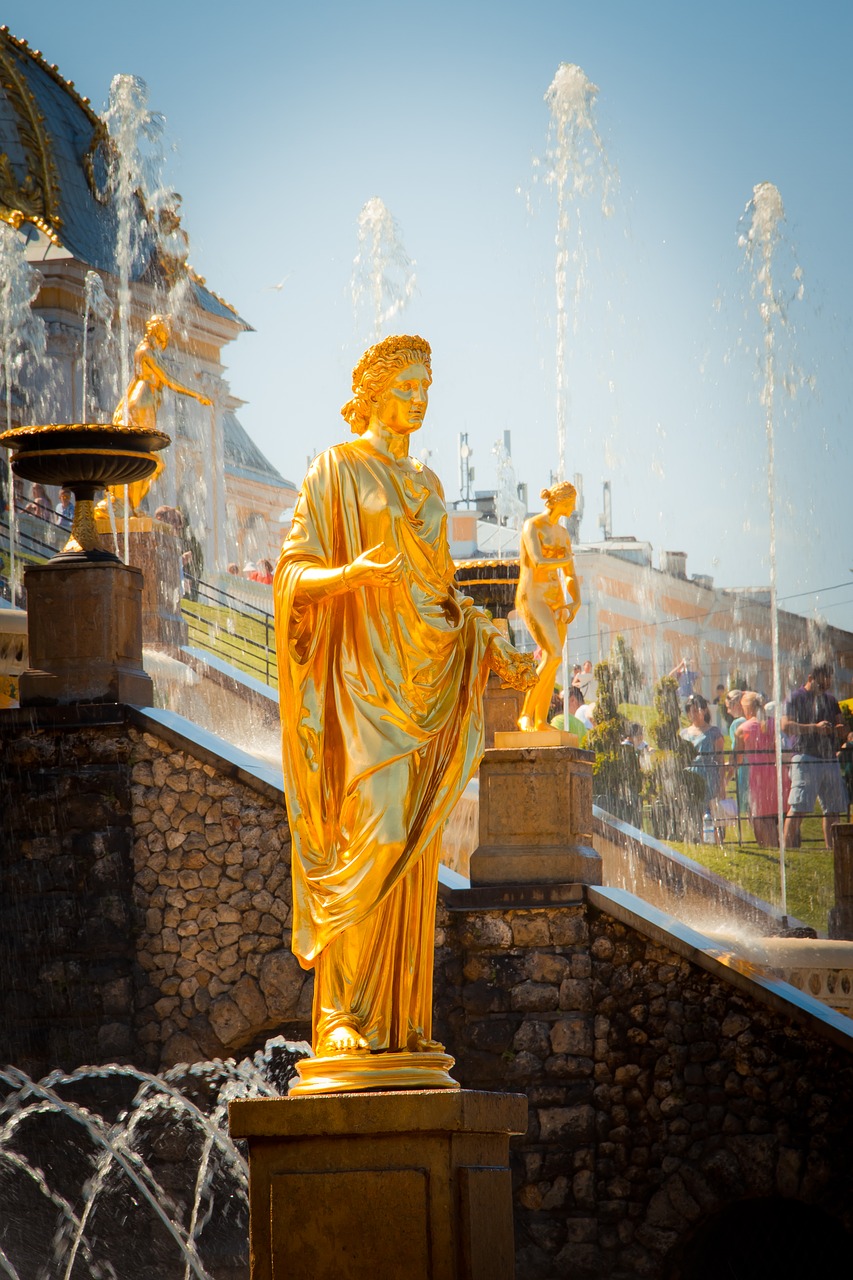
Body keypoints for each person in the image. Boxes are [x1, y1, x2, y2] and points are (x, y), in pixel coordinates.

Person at [273, 334, 535, 1071]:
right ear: (374, 390)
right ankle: (339, 1019)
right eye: (407, 386)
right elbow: (292, 575)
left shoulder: (422, 484)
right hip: (359, 692)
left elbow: (439, 595)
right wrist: (351, 575)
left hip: (419, 686)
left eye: (427, 387)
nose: (419, 399)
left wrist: (485, 639)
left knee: (412, 857)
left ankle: (393, 1025)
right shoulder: (334, 468)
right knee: (377, 837)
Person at [102, 314, 212, 516]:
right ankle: (125, 504)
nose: (166, 337)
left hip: (147, 403)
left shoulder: (150, 351)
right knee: (144, 456)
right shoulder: (146, 351)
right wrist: (197, 394)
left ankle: (130, 505)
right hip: (141, 403)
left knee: (152, 461)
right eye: (164, 332)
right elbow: (169, 380)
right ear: (156, 330)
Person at [514, 481, 580, 732]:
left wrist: (576, 602)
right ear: (562, 501)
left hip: (557, 601)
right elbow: (539, 562)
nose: (574, 507)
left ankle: (540, 721)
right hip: (533, 596)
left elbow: (570, 575)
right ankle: (525, 715)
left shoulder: (563, 534)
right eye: (572, 502)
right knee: (552, 654)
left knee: (554, 661)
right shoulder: (533, 526)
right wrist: (565, 558)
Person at [782, 665, 848, 849]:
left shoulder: (831, 700)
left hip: (830, 759)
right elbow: (785, 726)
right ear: (810, 678)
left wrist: (841, 730)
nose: (824, 689)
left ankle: (833, 850)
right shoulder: (795, 697)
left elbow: (843, 728)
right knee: (798, 808)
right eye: (821, 685)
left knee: (833, 810)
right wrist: (815, 728)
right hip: (805, 757)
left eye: (827, 685)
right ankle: (787, 850)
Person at [734, 692, 789, 847]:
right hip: (777, 775)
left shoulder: (743, 729)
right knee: (778, 818)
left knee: (761, 819)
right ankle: (788, 852)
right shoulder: (774, 724)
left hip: (758, 777)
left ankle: (770, 852)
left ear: (747, 708)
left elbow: (737, 758)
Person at [681, 693, 727, 823]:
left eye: (696, 710)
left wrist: (722, 786)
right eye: (690, 712)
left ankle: (712, 838)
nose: (693, 714)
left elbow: (720, 760)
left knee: (709, 812)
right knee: (692, 811)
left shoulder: (714, 733)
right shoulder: (683, 734)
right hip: (690, 776)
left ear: (705, 710)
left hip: (709, 776)